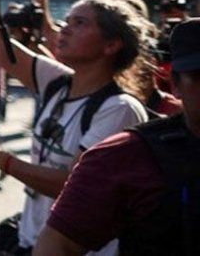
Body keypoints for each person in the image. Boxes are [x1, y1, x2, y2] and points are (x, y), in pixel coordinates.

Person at [0, 0, 151, 255]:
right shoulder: (58, 82)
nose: (65, 27)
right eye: (68, 20)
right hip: (33, 241)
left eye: (80, 23)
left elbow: (74, 186)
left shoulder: (119, 109)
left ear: (111, 45)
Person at [34, 18, 200, 255]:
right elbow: (57, 245)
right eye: (199, 76)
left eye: (81, 22)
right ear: (175, 84)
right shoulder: (128, 156)